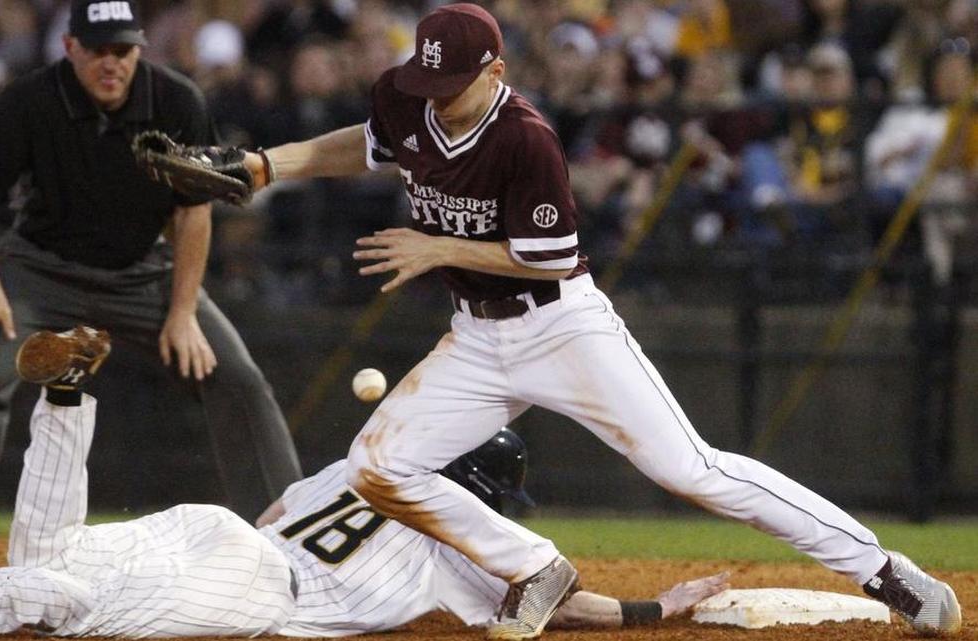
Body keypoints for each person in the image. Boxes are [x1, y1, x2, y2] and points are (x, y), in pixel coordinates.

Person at [200, 4, 962, 638]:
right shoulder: (411, 99)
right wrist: (268, 165)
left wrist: (437, 244)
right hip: (476, 337)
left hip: (560, 327)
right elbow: (364, 146)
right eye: (425, 79)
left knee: (692, 469)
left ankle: (884, 569)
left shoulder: (524, 137)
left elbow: (548, 256)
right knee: (375, 467)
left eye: (451, 82)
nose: (433, 95)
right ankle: (537, 565)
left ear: (495, 72)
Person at [0, 326, 728, 638]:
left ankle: (66, 401)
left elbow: (270, 509)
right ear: (484, 493)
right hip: (259, 586)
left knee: (60, 554)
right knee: (86, 611)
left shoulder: (359, 467)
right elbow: (561, 603)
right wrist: (658, 609)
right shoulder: (459, 539)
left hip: (222, 530)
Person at [0, 0, 302, 580]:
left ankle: (289, 532)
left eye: (123, 50)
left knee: (237, 377)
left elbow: (194, 213)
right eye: (98, 50)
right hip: (41, 272)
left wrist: (182, 311)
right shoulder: (30, 99)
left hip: (143, 275)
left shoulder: (177, 100)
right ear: (70, 47)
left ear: (140, 49)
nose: (112, 63)